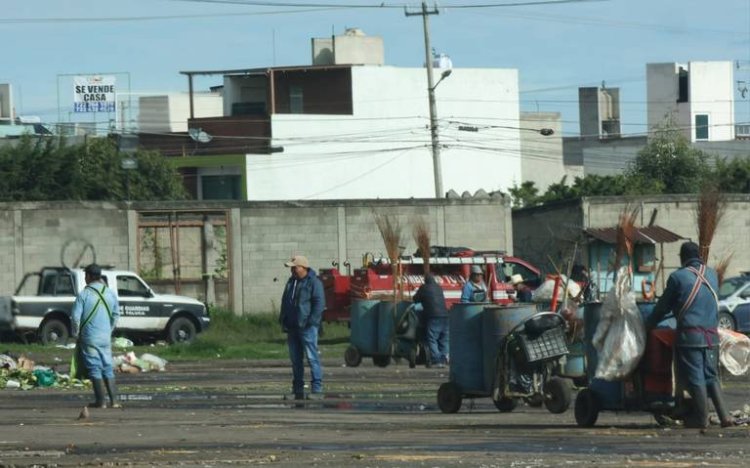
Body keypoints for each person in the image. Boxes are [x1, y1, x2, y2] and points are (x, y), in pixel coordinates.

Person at [646, 241, 734, 429]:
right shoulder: (712, 275)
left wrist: (648, 324)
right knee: (711, 376)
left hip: (690, 337)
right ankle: (724, 416)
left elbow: (662, 307)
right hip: (712, 337)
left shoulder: (678, 277)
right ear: (699, 256)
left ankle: (701, 418)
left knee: (695, 377)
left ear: (682, 258)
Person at [71, 264, 120, 408]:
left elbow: (75, 317)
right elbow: (116, 315)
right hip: (105, 337)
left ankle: (101, 401)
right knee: (107, 366)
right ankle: (114, 401)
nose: (85, 277)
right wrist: (108, 330)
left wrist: (76, 333)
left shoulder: (84, 294)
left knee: (94, 367)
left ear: (89, 277)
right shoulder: (110, 293)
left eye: (86, 275)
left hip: (90, 337)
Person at [279, 255, 325, 401]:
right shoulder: (291, 282)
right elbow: (285, 300)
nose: (292, 270)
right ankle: (297, 390)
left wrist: (311, 322)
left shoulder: (314, 282)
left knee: (312, 358)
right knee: (296, 360)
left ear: (303, 267)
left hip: (307, 327)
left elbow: (319, 303)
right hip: (292, 327)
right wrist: (283, 319)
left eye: (295, 267)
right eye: (291, 268)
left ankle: (317, 390)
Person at [413, 274, 449, 367]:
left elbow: (415, 299)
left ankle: (436, 360)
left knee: (432, 339)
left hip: (433, 317)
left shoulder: (424, 288)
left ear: (425, 281)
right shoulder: (439, 288)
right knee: (443, 339)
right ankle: (444, 358)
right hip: (445, 315)